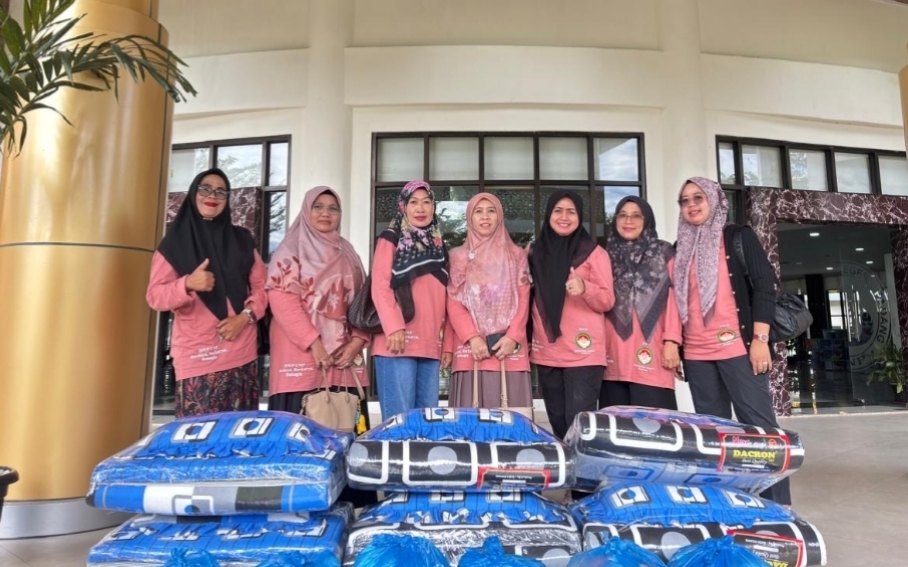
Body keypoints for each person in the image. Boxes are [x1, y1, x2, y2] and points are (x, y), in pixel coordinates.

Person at [674, 176, 791, 505]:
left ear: (715, 199)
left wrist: (760, 339)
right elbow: (677, 303)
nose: (691, 205)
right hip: (697, 354)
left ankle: (777, 504)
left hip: (739, 348)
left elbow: (764, 285)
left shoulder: (738, 236)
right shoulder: (680, 248)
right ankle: (728, 501)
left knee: (759, 429)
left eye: (698, 197)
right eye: (684, 200)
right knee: (715, 434)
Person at [147, 168, 267, 418]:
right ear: (193, 193)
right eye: (205, 189)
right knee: (199, 436)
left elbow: (263, 287)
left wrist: (245, 317)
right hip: (198, 357)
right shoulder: (173, 244)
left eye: (221, 191)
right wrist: (187, 283)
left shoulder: (242, 239)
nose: (213, 195)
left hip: (241, 353)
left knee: (240, 434)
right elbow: (155, 296)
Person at [265, 186, 370, 413]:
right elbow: (283, 301)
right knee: (299, 427)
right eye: (318, 207)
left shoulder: (347, 251)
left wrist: (356, 343)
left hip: (344, 356)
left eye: (333, 209)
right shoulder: (290, 250)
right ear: (306, 210)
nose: (326, 213)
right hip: (301, 354)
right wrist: (315, 344)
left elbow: (364, 301)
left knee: (344, 421)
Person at [528, 190, 615, 440]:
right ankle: (567, 464)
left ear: (580, 216)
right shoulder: (533, 252)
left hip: (583, 353)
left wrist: (585, 288)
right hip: (547, 350)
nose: (564, 217)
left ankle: (583, 465)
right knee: (556, 418)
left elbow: (607, 300)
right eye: (558, 211)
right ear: (548, 214)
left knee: (579, 423)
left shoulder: (594, 253)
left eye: (571, 212)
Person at [372, 181, 452, 421]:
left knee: (427, 422)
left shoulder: (439, 245)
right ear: (403, 206)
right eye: (414, 202)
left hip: (430, 344)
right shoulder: (391, 238)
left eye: (426, 202)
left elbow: (448, 298)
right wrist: (394, 327)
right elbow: (380, 286)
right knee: (400, 423)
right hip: (397, 342)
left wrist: (447, 344)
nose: (420, 208)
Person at [446, 193, 532, 409]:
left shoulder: (516, 255)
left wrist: (513, 336)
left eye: (491, 211)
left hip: (508, 349)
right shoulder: (458, 256)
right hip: (471, 350)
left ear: (499, 216)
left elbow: (524, 298)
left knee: (511, 419)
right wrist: (473, 338)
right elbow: (453, 302)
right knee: (469, 420)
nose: (485, 216)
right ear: (470, 218)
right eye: (478, 211)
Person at [602, 196, 682, 410]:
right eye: (623, 215)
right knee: (615, 423)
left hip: (652, 351)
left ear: (647, 220)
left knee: (656, 423)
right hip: (612, 353)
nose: (629, 221)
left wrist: (672, 341)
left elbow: (676, 298)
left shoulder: (664, 253)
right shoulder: (605, 256)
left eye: (636, 216)